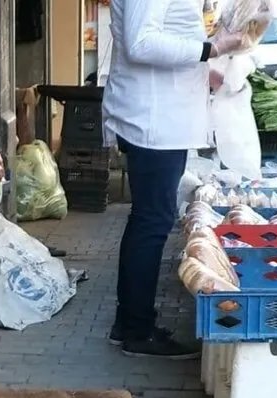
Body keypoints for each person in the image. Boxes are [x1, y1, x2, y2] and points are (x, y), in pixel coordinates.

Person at [102, 0, 245, 359]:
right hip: (153, 121)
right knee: (152, 220)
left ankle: (129, 323)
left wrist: (203, 68)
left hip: (163, 117)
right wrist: (212, 49)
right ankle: (137, 330)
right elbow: (141, 43)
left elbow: (167, 33)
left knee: (148, 219)